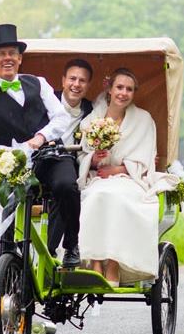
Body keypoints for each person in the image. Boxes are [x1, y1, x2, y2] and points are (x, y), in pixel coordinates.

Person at [0, 23, 81, 268]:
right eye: (1, 54)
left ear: (20, 59)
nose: (8, 58)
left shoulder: (39, 83)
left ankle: (71, 247)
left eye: (12, 53)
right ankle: (7, 255)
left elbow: (61, 117)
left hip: (50, 155)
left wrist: (41, 137)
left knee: (66, 186)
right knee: (6, 197)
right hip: (12, 165)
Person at [76, 68, 178, 286]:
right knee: (96, 196)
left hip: (129, 179)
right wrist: (94, 159)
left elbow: (145, 160)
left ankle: (113, 263)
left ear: (134, 93)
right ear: (110, 89)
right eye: (119, 87)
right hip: (98, 179)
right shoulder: (92, 120)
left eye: (129, 89)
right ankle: (95, 261)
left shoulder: (143, 120)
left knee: (119, 198)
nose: (123, 93)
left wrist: (118, 170)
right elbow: (82, 155)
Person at [55, 58, 94, 145]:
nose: (76, 84)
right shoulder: (47, 102)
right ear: (63, 81)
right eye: (72, 78)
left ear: (88, 86)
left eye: (82, 80)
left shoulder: (91, 111)